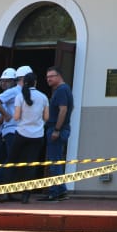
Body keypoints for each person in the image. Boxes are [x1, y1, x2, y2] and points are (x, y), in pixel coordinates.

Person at [10, 71, 48, 201]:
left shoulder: (20, 96)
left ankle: (8, 190)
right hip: (37, 135)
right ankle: (26, 195)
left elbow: (16, 117)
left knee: (13, 161)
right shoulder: (43, 97)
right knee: (31, 164)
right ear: (35, 82)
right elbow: (46, 117)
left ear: (24, 82)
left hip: (21, 133)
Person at [43, 65, 73, 200]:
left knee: (54, 161)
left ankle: (55, 192)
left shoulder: (61, 90)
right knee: (57, 160)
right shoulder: (64, 90)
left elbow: (63, 110)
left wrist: (57, 129)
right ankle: (60, 190)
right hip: (60, 128)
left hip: (57, 129)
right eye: (47, 77)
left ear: (59, 76)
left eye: (51, 76)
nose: (48, 79)